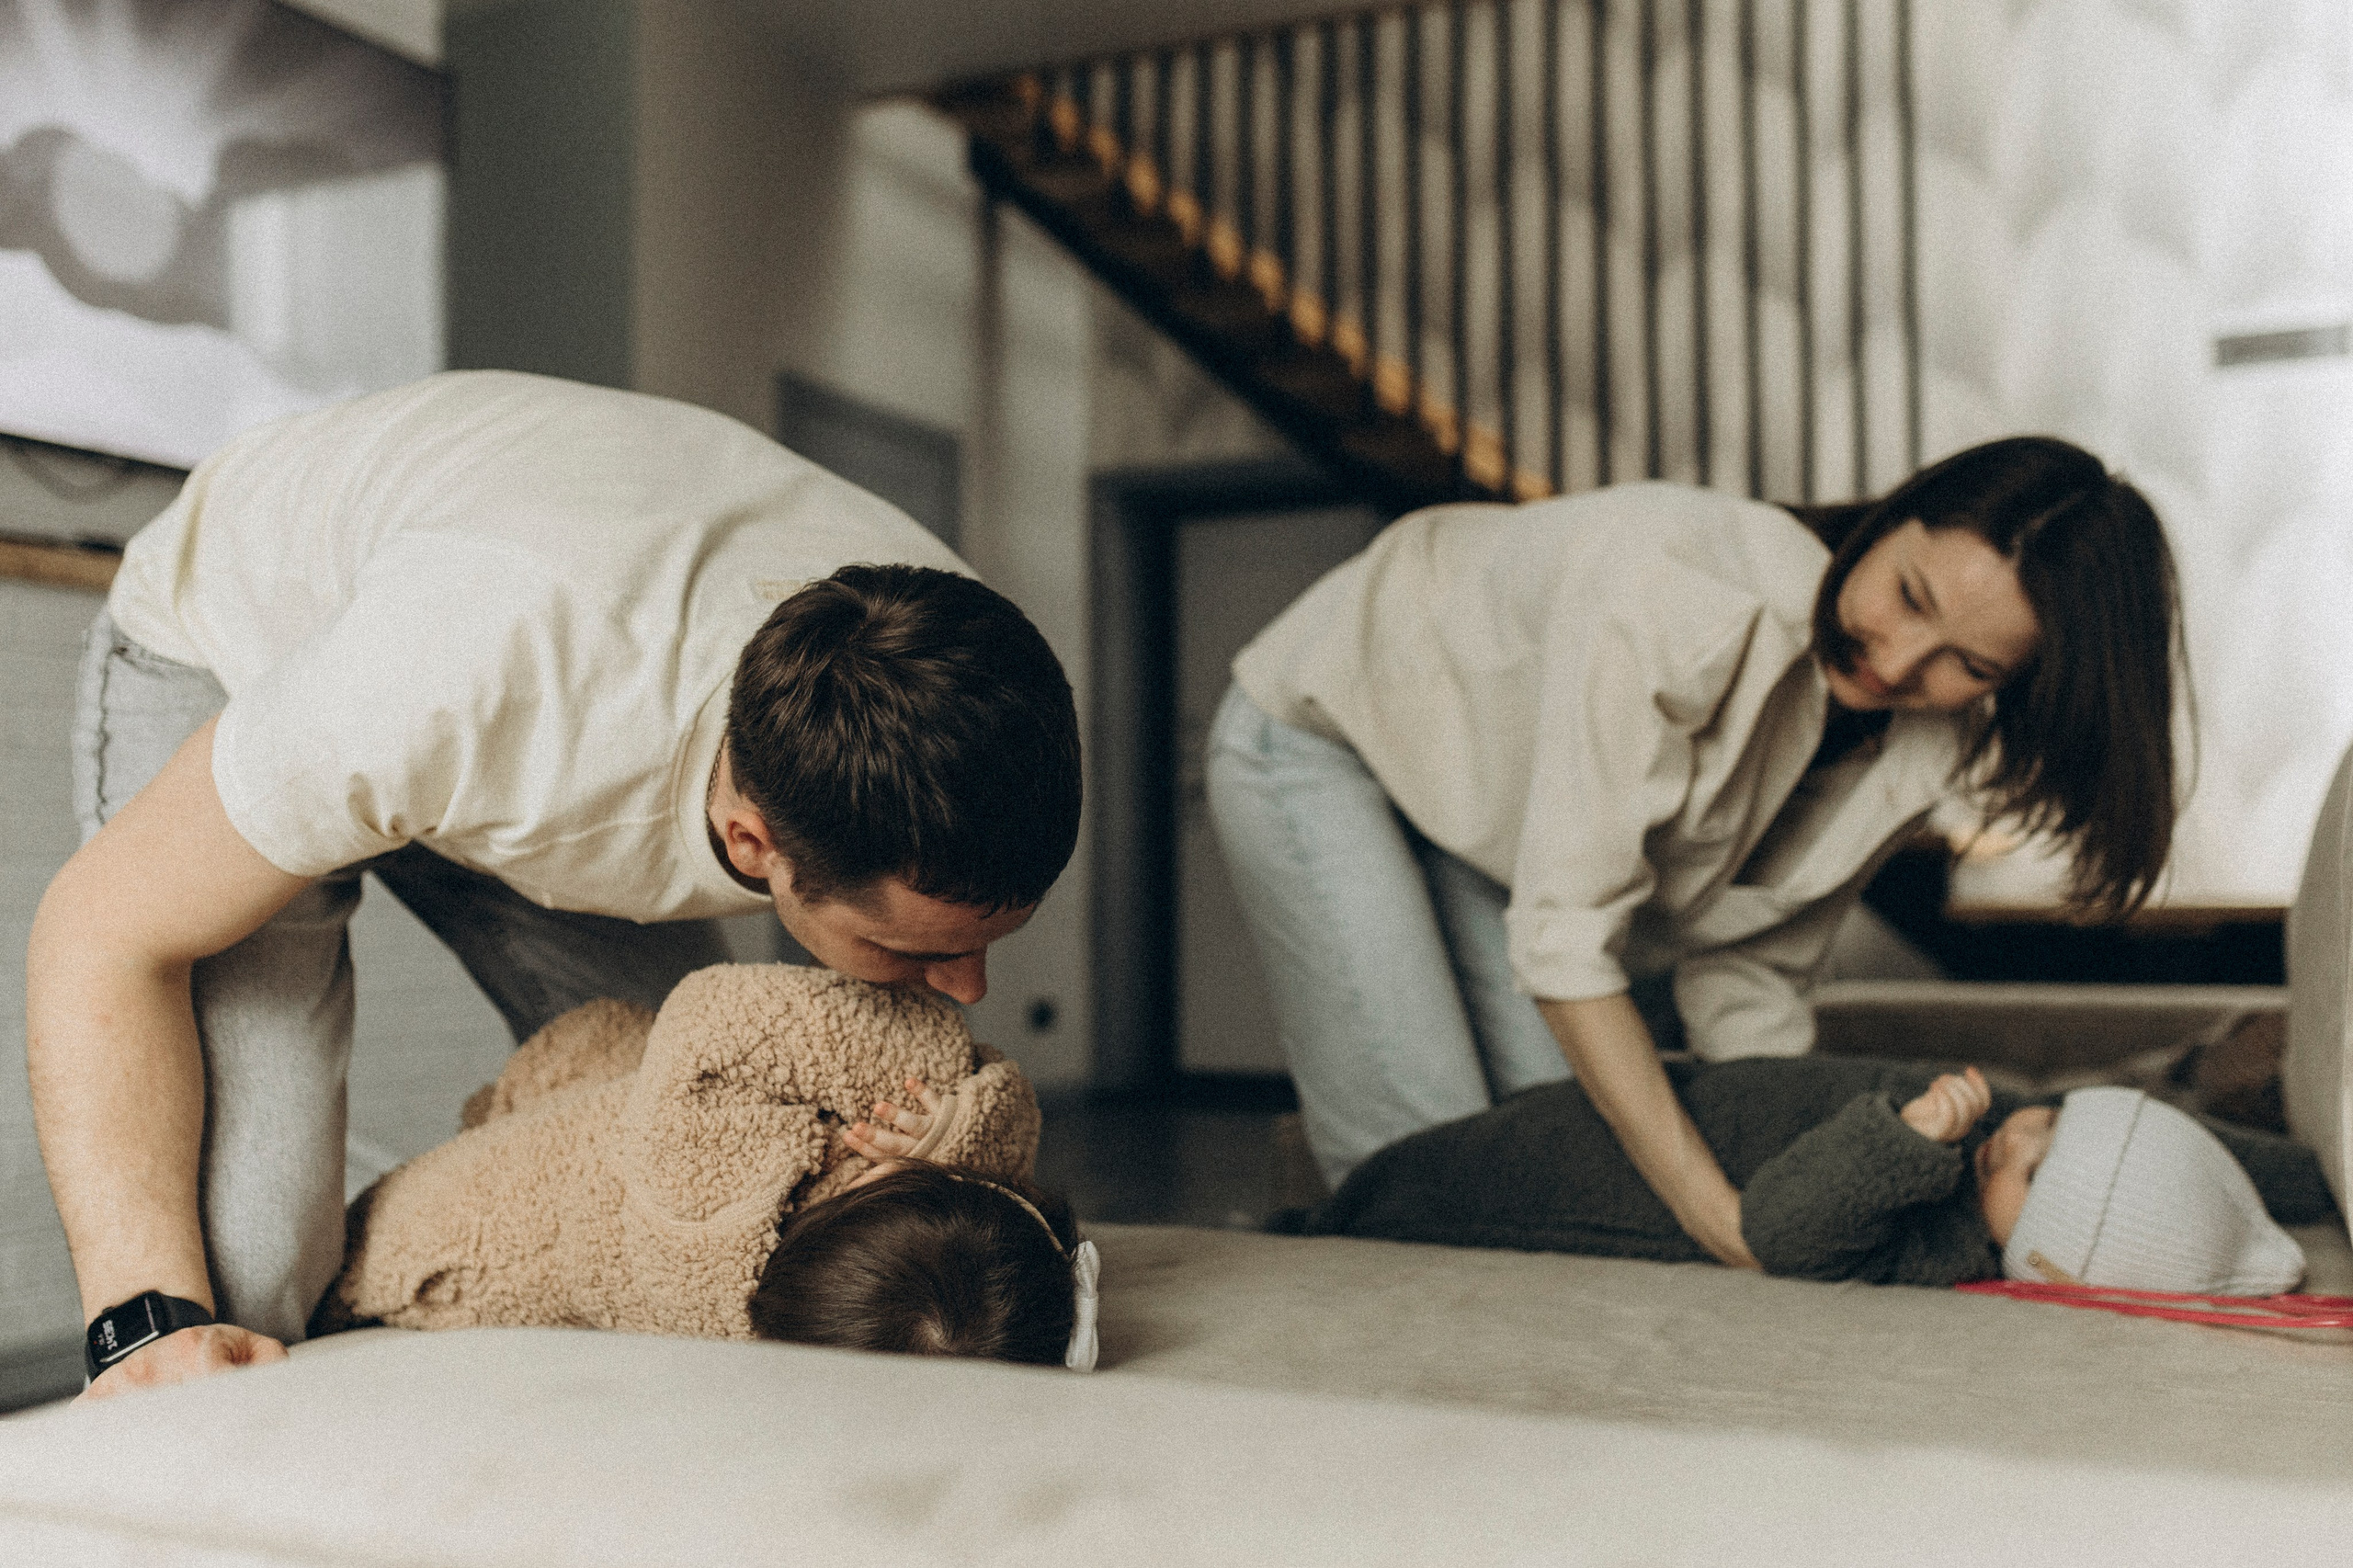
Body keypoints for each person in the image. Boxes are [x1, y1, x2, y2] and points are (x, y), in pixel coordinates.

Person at [29, 371, 1083, 1398]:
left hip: (500, 660)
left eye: (990, 935)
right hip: (245, 635)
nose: (966, 989)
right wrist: (143, 1324)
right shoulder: (449, 689)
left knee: (642, 1139)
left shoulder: (953, 659)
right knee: (247, 1298)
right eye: (913, 949)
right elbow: (101, 933)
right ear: (754, 843)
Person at [1209, 437, 2182, 1270]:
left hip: (1485, 825)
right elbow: (1566, 942)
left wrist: (1811, 1189)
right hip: (1329, 727)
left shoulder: (1931, 741)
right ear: (1895, 514)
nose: (1896, 663)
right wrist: (1720, 1219)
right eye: (1906, 596)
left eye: (1966, 666)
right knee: (1435, 1176)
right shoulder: (1678, 590)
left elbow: (1750, 968)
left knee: (1543, 1150)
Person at [317, 963, 1101, 1371]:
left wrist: (962, 1127)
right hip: (594, 1110)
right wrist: (961, 1128)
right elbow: (1005, 1170)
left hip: (509, 1216)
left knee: (398, 1229)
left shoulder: (703, 1210)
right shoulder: (812, 1314)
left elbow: (712, 1013)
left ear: (873, 1186)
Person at [1287, 1059, 2335, 1293]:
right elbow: (2190, 1144)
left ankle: (1321, 1223)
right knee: (1488, 1134)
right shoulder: (2003, 1152)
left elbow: (1783, 1228)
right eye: (2044, 1123)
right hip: (1668, 1102)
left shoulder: (1943, 1234)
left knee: (1433, 1186)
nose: (2012, 1135)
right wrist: (2326, 1178)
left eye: (2036, 1168)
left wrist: (1911, 1138)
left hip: (1566, 1197)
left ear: (2051, 1260)